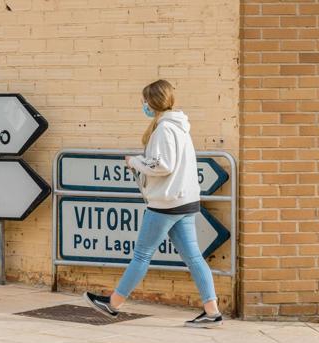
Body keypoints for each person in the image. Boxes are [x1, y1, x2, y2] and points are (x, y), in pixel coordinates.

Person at [83, 79, 223, 328]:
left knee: (142, 255)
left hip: (166, 204)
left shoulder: (164, 130)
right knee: (193, 257)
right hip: (185, 201)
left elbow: (162, 165)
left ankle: (113, 304)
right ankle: (211, 312)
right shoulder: (180, 127)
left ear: (153, 102)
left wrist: (135, 161)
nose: (143, 105)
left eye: (144, 100)